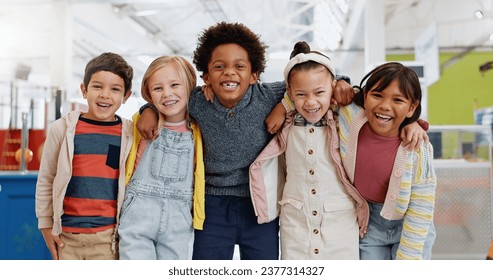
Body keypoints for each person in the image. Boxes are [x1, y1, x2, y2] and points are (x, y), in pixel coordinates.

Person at [137, 22, 354, 260]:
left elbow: (310, 78)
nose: (229, 72)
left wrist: (341, 80)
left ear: (254, 75)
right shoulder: (197, 100)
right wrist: (149, 109)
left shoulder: (267, 95)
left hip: (259, 203)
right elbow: (169, 98)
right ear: (206, 76)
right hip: (212, 206)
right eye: (219, 67)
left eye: (239, 66)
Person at [250, 41, 368, 259]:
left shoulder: (345, 117)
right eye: (301, 95)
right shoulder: (285, 122)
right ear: (290, 93)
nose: (311, 101)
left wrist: (413, 124)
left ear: (332, 87)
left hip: (340, 222)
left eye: (319, 92)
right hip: (296, 223)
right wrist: (285, 105)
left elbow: (380, 113)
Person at [35, 52, 134, 260]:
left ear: (126, 96)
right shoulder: (61, 130)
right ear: (84, 89)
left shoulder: (131, 133)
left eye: (115, 89)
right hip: (66, 238)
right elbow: (46, 179)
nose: (105, 95)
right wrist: (45, 224)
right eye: (97, 86)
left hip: (108, 240)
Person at [337, 62, 437, 259]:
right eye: (377, 95)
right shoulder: (350, 118)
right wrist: (340, 81)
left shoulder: (419, 147)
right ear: (365, 96)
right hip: (368, 224)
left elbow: (421, 205)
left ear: (412, 107)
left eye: (398, 100)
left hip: (411, 224)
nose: (384, 106)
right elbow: (313, 89)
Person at [117, 56, 204, 260]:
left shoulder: (200, 127)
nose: (167, 94)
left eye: (175, 85)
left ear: (190, 85)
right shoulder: (140, 122)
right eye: (158, 89)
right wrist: (149, 109)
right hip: (138, 214)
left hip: (180, 219)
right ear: (149, 94)